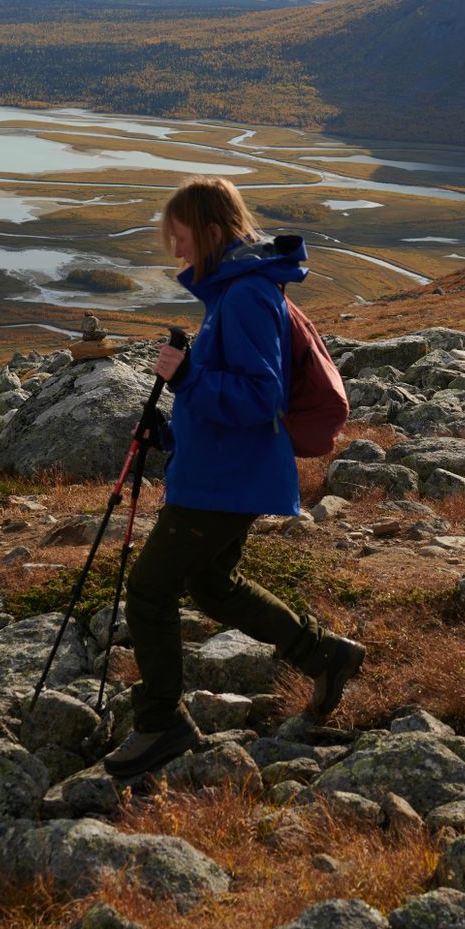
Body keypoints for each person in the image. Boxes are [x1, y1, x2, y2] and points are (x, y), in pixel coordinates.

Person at [103, 176, 366, 780]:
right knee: (213, 585)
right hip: (222, 470)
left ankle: (161, 723)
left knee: (148, 590)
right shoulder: (232, 292)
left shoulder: (246, 295)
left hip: (226, 479)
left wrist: (187, 376)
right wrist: (171, 433)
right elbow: (231, 399)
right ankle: (326, 655)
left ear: (213, 232)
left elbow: (257, 396)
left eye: (182, 236)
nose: (175, 251)